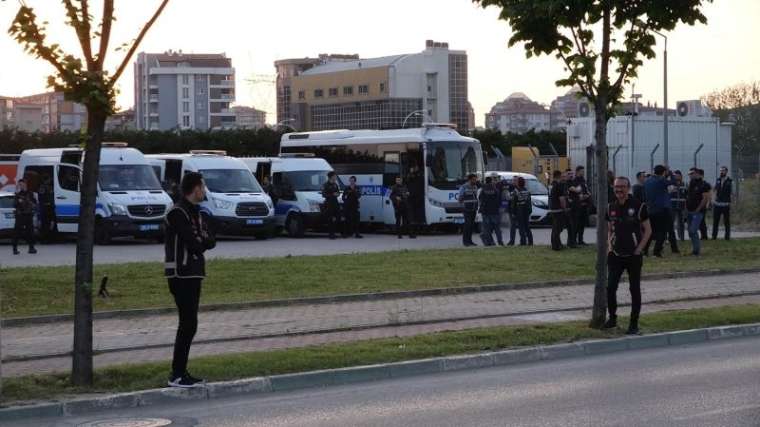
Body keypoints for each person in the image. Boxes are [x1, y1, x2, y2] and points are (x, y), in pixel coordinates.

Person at [164, 172, 216, 388]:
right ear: (195, 189)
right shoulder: (178, 212)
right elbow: (194, 243)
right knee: (187, 323)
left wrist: (202, 240)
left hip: (194, 272)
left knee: (190, 323)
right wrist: (201, 241)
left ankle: (180, 372)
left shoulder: (196, 212)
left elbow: (210, 239)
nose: (204, 191)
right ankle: (177, 374)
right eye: (202, 187)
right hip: (181, 273)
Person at [603, 176, 652, 335]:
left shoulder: (638, 206)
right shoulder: (610, 206)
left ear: (628, 188)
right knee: (610, 288)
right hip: (615, 255)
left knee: (634, 289)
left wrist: (639, 249)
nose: (619, 190)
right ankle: (612, 318)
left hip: (633, 256)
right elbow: (610, 228)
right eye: (617, 187)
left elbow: (648, 230)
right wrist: (609, 246)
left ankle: (633, 324)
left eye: (622, 187)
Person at [644, 165, 678, 257]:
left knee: (650, 232)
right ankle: (656, 252)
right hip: (662, 209)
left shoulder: (647, 181)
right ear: (663, 172)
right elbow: (674, 182)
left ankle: (645, 251)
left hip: (651, 209)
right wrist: (670, 172)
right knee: (662, 232)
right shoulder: (661, 180)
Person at [686, 168, 711, 256]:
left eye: (692, 173)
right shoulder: (691, 183)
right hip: (689, 210)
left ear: (697, 173)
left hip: (698, 211)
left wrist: (698, 209)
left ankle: (696, 251)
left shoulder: (704, 185)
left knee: (693, 230)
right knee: (690, 231)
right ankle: (694, 249)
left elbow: (705, 198)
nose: (690, 175)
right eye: (689, 174)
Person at [12, 179, 37, 255]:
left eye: (22, 184)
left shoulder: (30, 193)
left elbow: (35, 203)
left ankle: (31, 248)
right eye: (20, 185)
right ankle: (15, 249)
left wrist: (29, 202)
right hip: (20, 216)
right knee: (17, 232)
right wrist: (17, 199)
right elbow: (15, 205)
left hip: (28, 215)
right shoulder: (18, 194)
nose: (21, 186)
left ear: (25, 184)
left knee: (30, 232)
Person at [569, 166, 591, 245]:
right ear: (577, 172)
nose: (583, 173)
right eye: (582, 171)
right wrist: (580, 196)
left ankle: (580, 240)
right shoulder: (574, 181)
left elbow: (586, 190)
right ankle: (573, 240)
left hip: (584, 205)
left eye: (583, 171)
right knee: (576, 224)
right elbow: (573, 193)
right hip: (577, 206)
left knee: (582, 224)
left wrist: (587, 195)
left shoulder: (583, 181)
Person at [478, 176, 503, 246]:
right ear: (491, 181)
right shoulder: (495, 190)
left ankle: (489, 242)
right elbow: (499, 200)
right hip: (495, 211)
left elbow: (480, 199)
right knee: (497, 228)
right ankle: (500, 242)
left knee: (487, 228)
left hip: (485, 212)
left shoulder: (483, 190)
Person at [458, 174, 479, 247]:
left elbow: (475, 197)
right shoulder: (464, 187)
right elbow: (460, 198)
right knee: (467, 225)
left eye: (475, 179)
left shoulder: (475, 187)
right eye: (474, 179)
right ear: (470, 179)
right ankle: (465, 242)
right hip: (466, 209)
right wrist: (463, 204)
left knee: (471, 226)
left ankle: (470, 241)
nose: (475, 180)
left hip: (473, 209)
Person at [549, 170, 568, 251]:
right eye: (562, 176)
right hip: (558, 209)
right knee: (558, 228)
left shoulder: (552, 185)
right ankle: (556, 246)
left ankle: (555, 244)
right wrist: (564, 208)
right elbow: (561, 198)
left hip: (553, 208)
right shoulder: (559, 186)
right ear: (559, 176)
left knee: (555, 228)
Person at [712, 166, 732, 240]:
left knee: (726, 221)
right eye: (720, 170)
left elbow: (731, 193)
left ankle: (727, 237)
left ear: (726, 171)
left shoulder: (729, 181)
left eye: (723, 170)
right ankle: (714, 236)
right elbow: (714, 189)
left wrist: (730, 202)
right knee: (715, 221)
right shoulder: (718, 180)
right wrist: (713, 200)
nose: (721, 172)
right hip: (717, 204)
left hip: (726, 204)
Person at [513, 176, 534, 246]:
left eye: (517, 181)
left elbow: (514, 202)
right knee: (527, 226)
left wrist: (513, 212)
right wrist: (530, 210)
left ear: (519, 183)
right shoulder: (527, 191)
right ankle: (530, 241)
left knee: (521, 227)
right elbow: (529, 201)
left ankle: (523, 242)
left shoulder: (516, 191)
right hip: (526, 210)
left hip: (519, 210)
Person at [321, 171, 341, 240]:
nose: (335, 177)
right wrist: (332, 194)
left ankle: (334, 232)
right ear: (331, 176)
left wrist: (337, 194)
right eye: (335, 176)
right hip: (329, 203)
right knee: (330, 218)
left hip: (335, 202)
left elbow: (338, 192)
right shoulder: (325, 185)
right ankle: (331, 234)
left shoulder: (335, 184)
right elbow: (323, 194)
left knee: (338, 217)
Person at [670, 170, 687, 241]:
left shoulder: (684, 184)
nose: (676, 176)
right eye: (675, 175)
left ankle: (681, 237)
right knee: (671, 222)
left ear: (681, 176)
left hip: (681, 206)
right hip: (673, 206)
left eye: (678, 175)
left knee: (681, 223)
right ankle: (671, 238)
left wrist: (686, 206)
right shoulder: (671, 184)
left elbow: (686, 195)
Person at [563, 169, 577, 247]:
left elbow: (579, 190)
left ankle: (572, 242)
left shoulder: (573, 182)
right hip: (569, 208)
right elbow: (565, 195)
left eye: (572, 173)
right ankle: (571, 243)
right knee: (570, 226)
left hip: (575, 207)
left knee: (574, 226)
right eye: (569, 174)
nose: (571, 175)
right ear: (566, 175)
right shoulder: (566, 184)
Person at [504, 177, 518, 246]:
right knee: (513, 226)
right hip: (511, 209)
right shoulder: (510, 188)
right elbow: (507, 197)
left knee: (521, 226)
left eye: (516, 180)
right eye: (514, 180)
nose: (515, 182)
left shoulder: (520, 188)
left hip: (518, 209)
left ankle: (523, 240)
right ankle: (512, 241)